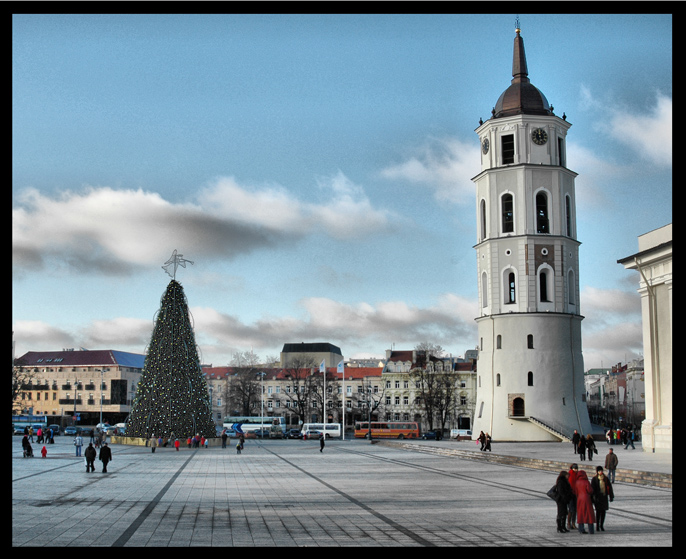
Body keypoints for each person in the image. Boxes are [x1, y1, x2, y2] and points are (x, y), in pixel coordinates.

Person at [591, 466, 614, 531]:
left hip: (604, 497)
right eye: (599, 471)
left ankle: (601, 525)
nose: (600, 472)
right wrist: (593, 498)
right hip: (598, 498)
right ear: (597, 472)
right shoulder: (594, 479)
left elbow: (610, 487)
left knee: (603, 512)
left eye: (601, 471)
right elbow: (592, 489)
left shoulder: (606, 479)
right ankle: (597, 526)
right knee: (598, 512)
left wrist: (611, 496)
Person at [573, 470, 595, 534]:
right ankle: (591, 530)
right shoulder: (586, 482)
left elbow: (575, 491)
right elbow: (590, 490)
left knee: (580, 514)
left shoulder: (577, 482)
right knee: (589, 514)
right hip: (587, 499)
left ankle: (581, 529)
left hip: (579, 499)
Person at [567, 464, 579, 531]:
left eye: (577, 469)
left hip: (576, 494)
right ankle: (569, 523)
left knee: (575, 510)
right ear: (572, 469)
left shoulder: (577, 475)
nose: (576, 470)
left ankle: (573, 523)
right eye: (575, 469)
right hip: (571, 494)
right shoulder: (570, 474)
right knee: (571, 509)